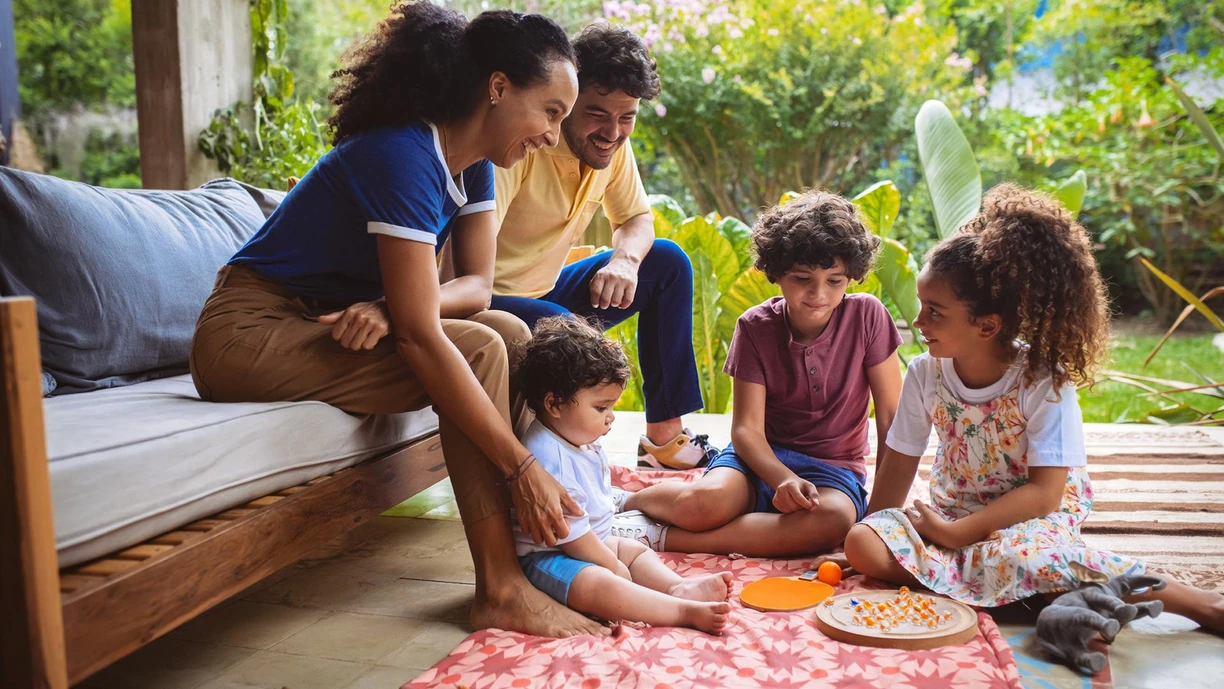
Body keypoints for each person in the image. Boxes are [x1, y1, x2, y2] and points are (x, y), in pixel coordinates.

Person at [190, 2, 605, 638]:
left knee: (512, 334)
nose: (555, 135)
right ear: (497, 87)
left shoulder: (474, 167)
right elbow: (420, 335)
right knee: (480, 352)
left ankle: (553, 537)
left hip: (319, 322)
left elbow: (476, 289)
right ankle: (500, 586)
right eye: (550, 112)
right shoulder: (402, 154)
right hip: (247, 333)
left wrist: (390, 306)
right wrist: (521, 468)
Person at [819, 184, 1224, 631]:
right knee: (862, 542)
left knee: (1032, 557)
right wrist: (882, 529)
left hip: (1029, 520)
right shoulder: (924, 372)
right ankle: (1030, 590)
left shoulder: (1042, 378)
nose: (918, 322)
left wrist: (954, 538)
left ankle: (1198, 604)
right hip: (954, 511)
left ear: (988, 325)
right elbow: (899, 462)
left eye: (935, 311)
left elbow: (1045, 494)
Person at [612, 191, 904, 557]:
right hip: (757, 458)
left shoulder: (868, 316)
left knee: (833, 521)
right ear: (776, 273)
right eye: (803, 278)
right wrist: (781, 477)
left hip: (834, 470)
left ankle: (661, 539)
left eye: (835, 280)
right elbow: (746, 429)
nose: (819, 293)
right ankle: (624, 503)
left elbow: (891, 418)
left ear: (853, 277)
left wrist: (879, 515)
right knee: (704, 504)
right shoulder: (754, 327)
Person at [486, 22, 713, 470]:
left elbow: (635, 218)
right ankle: (567, 457)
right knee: (565, 330)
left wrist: (626, 262)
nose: (612, 132)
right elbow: (462, 260)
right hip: (487, 302)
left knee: (666, 263)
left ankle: (663, 441)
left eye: (626, 116)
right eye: (596, 113)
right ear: (567, 102)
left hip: (545, 293)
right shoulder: (523, 146)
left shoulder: (610, 147)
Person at [512, 316, 733, 634]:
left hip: (592, 542)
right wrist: (609, 564)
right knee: (598, 583)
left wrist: (614, 555)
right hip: (549, 558)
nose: (611, 418)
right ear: (554, 404)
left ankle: (676, 588)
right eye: (601, 408)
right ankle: (679, 611)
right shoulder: (548, 457)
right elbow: (572, 538)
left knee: (634, 550)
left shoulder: (575, 436)